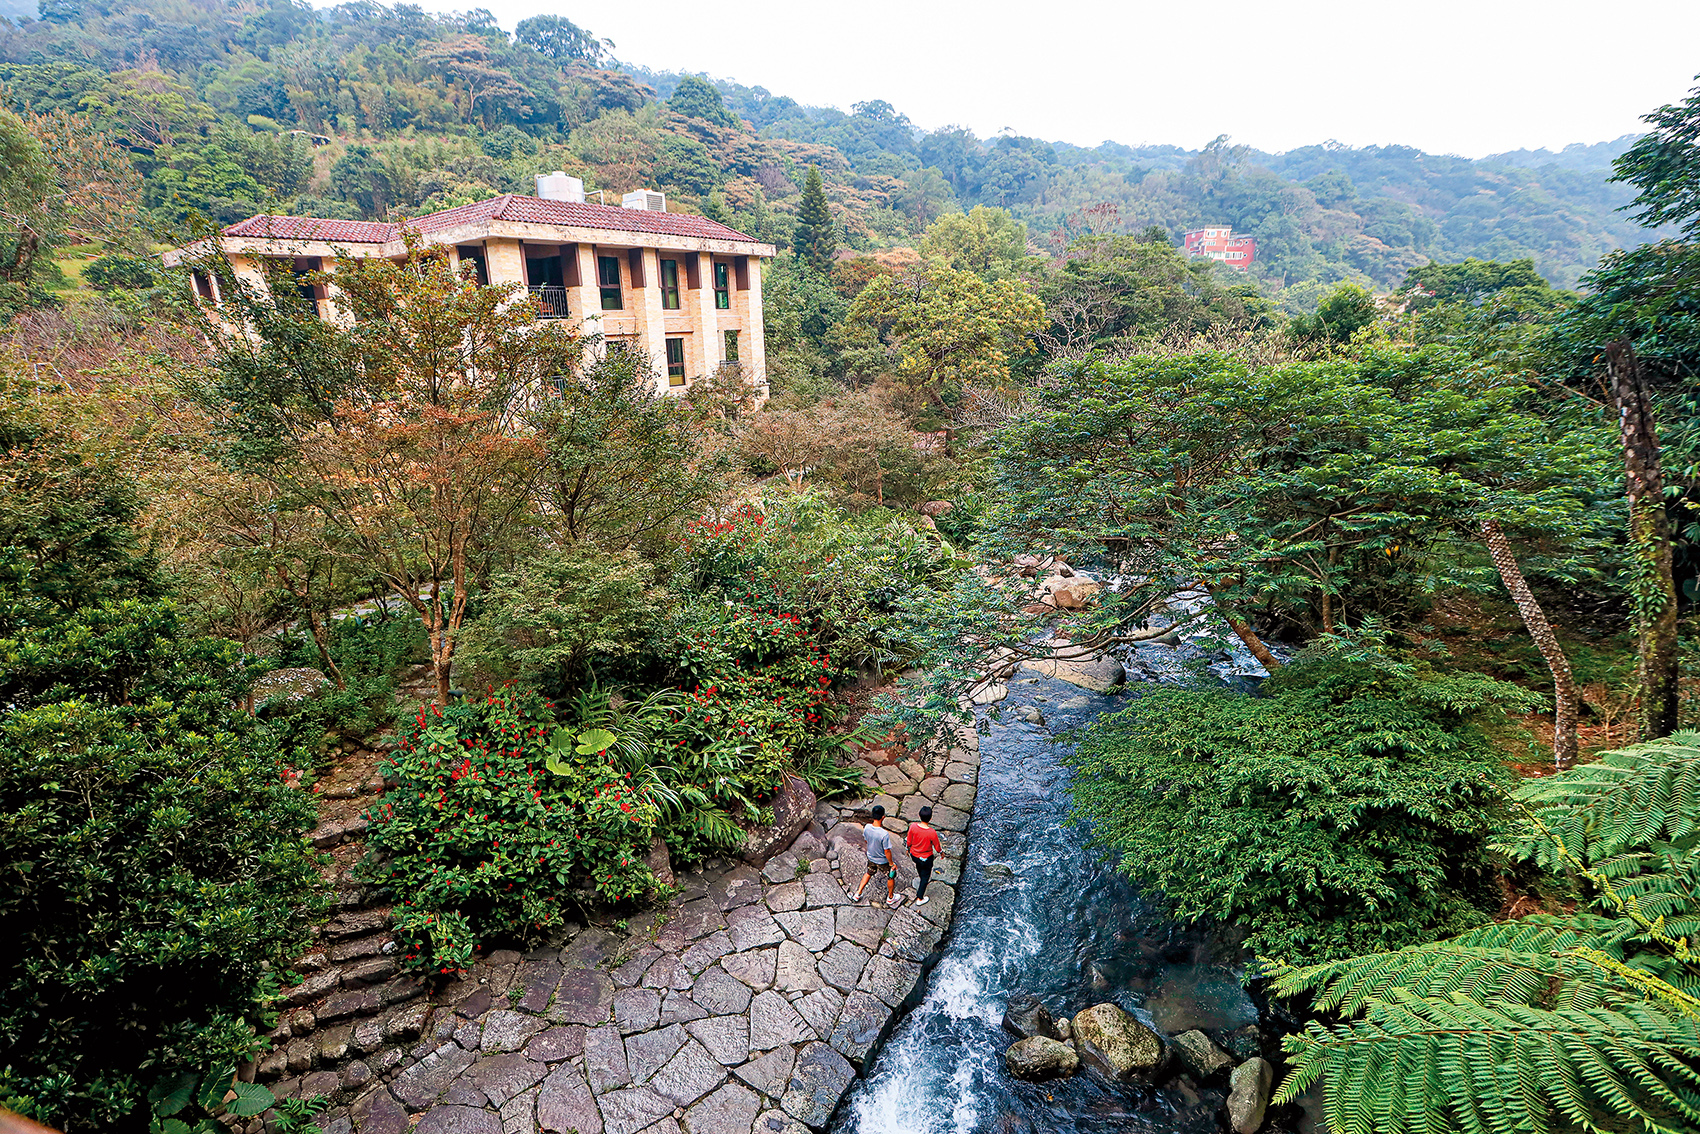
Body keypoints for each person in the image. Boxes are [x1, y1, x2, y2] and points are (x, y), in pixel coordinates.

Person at [853, 804, 897, 905]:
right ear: (883, 817)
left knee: (869, 872)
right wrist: (891, 864)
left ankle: (858, 893)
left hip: (871, 857)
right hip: (882, 861)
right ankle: (890, 897)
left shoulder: (867, 827)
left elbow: (866, 840)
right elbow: (887, 851)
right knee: (891, 876)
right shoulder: (884, 834)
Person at [906, 804, 943, 906]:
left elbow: (909, 841)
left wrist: (907, 848)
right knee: (925, 877)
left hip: (914, 855)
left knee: (920, 868)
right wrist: (941, 853)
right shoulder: (932, 832)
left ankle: (921, 876)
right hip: (926, 858)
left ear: (919, 816)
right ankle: (920, 898)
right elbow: (937, 846)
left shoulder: (913, 826)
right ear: (930, 818)